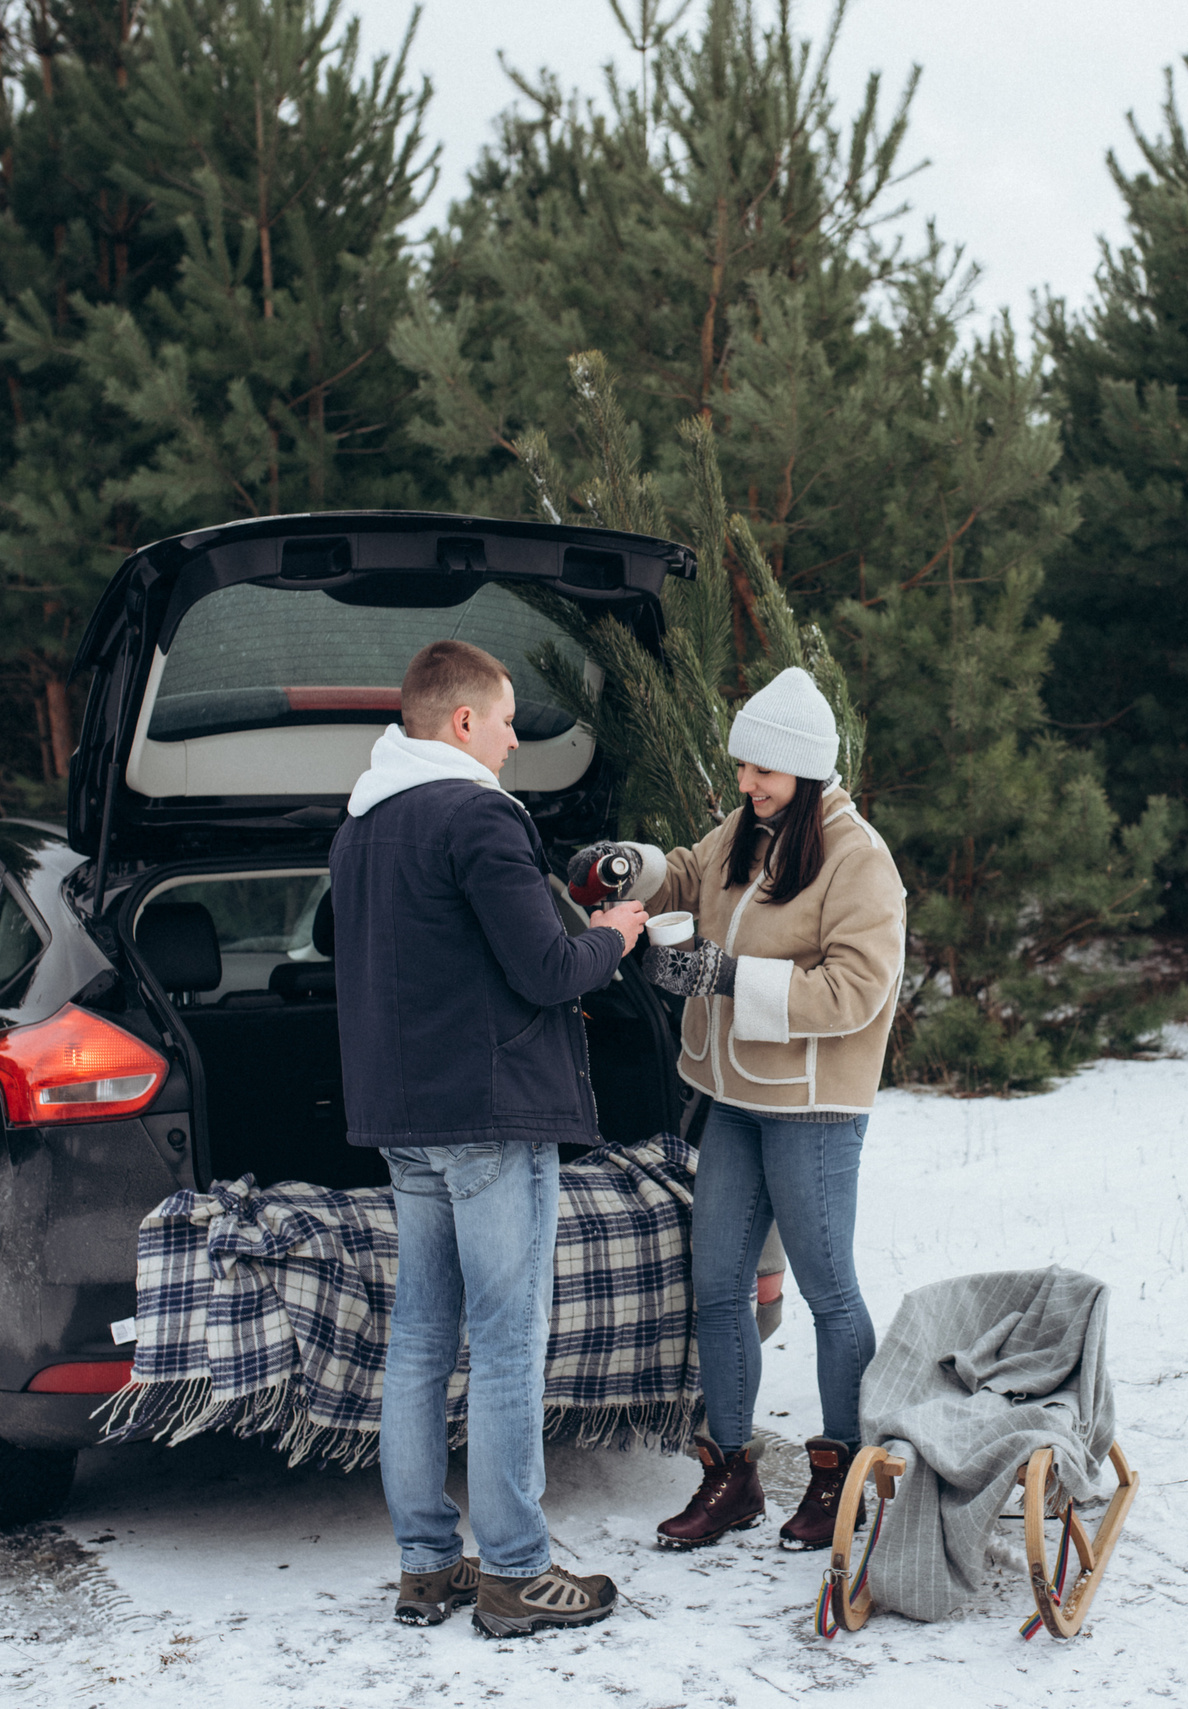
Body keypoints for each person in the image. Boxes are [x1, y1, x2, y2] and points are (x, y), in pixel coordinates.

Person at [330, 639, 649, 1637]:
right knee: (509, 1343)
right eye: (507, 721)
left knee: (421, 1339)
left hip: (404, 1119)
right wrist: (617, 933)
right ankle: (515, 1570)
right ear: (463, 720)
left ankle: (428, 1565)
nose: (514, 741)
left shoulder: (361, 824)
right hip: (492, 1116)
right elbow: (549, 970)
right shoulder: (479, 815)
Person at [564, 666, 905, 1554]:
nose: (747, 783)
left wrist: (727, 977)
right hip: (734, 1100)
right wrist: (624, 865)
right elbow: (683, 873)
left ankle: (842, 1474)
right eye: (743, 766)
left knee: (828, 1291)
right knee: (718, 1284)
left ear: (808, 771)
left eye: (764, 770)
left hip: (812, 1109)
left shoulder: (858, 858)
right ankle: (731, 1474)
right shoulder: (747, 830)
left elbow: (858, 989)